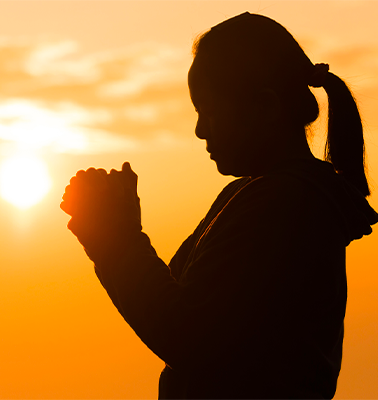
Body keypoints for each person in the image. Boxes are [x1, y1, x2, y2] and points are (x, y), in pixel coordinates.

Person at [60, 12, 378, 399]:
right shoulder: (257, 196)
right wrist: (117, 223)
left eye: (207, 111)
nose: (199, 130)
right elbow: (178, 299)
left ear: (265, 108)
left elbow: (187, 336)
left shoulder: (285, 204)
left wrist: (114, 235)